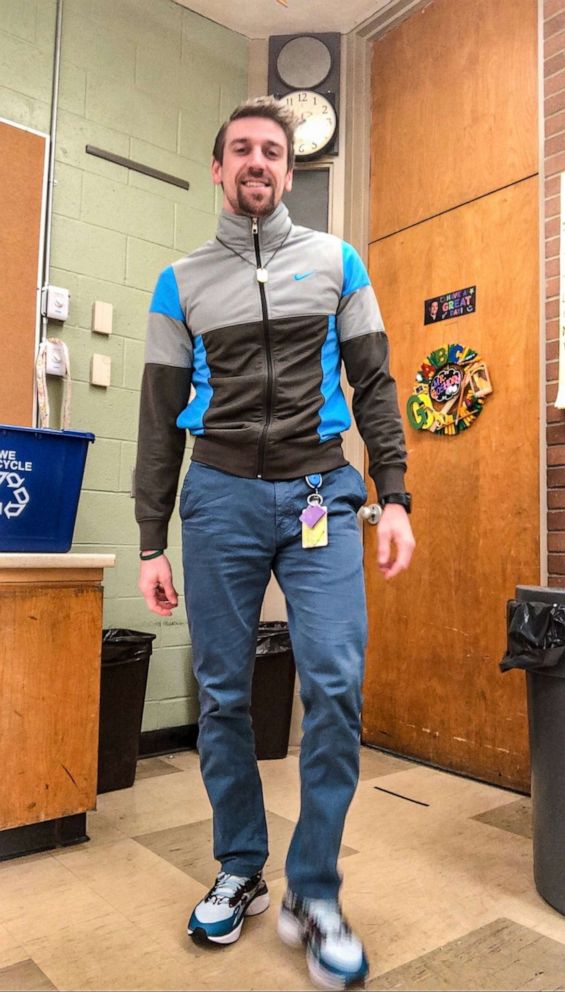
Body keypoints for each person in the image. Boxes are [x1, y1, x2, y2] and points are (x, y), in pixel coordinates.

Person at [135, 96, 415, 991]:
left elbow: (373, 381)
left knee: (332, 679)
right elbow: (154, 422)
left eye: (271, 151)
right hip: (216, 496)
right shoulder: (179, 283)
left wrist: (396, 494)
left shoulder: (335, 262)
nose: (256, 161)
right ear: (218, 170)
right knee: (223, 694)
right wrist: (150, 537)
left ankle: (314, 892)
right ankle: (241, 868)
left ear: (289, 174)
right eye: (240, 150)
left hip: (319, 491)